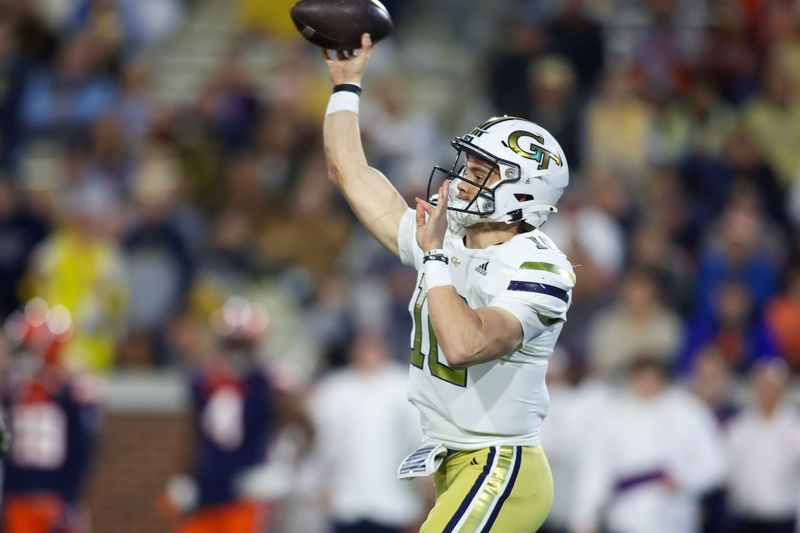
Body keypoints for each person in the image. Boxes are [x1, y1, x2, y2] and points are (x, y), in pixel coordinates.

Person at [321, 33, 575, 532]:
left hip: (502, 465)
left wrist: (434, 254)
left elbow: (464, 344)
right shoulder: (452, 235)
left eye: (482, 172)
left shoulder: (540, 267)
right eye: (468, 165)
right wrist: (347, 87)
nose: (462, 180)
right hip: (453, 461)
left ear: (523, 192)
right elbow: (347, 171)